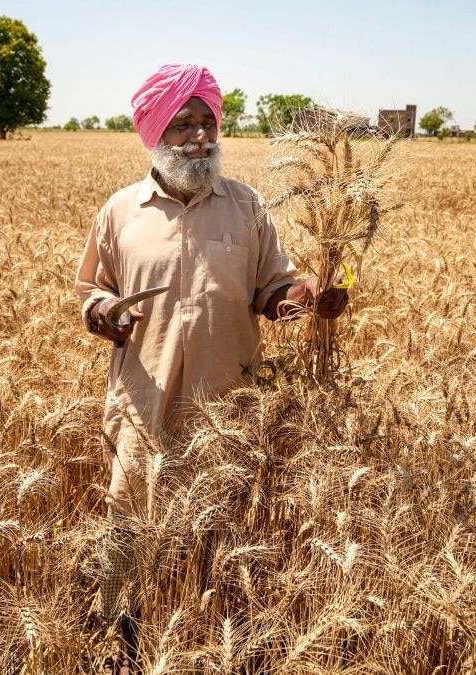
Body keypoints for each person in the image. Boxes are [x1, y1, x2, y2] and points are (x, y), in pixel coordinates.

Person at [75, 63, 348, 674]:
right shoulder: (120, 212)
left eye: (207, 124)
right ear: (153, 133)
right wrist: (103, 315)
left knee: (221, 535)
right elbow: (91, 291)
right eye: (182, 125)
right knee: (130, 528)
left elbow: (271, 287)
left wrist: (308, 296)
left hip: (229, 406)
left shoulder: (246, 205)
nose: (199, 138)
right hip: (143, 405)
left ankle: (216, 644)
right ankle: (124, 648)